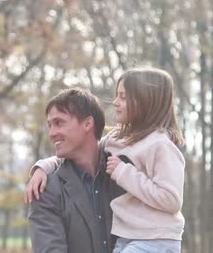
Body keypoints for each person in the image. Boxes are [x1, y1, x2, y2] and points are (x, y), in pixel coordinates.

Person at [26, 68, 185, 253]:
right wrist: (42, 167)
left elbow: (172, 199)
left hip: (155, 239)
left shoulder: (156, 147)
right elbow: (93, 150)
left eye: (59, 123)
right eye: (50, 125)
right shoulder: (117, 140)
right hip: (128, 239)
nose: (115, 102)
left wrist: (124, 172)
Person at [27, 88, 124, 253]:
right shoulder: (45, 191)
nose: (51, 133)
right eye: (50, 125)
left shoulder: (125, 174)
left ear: (87, 124)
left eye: (59, 122)